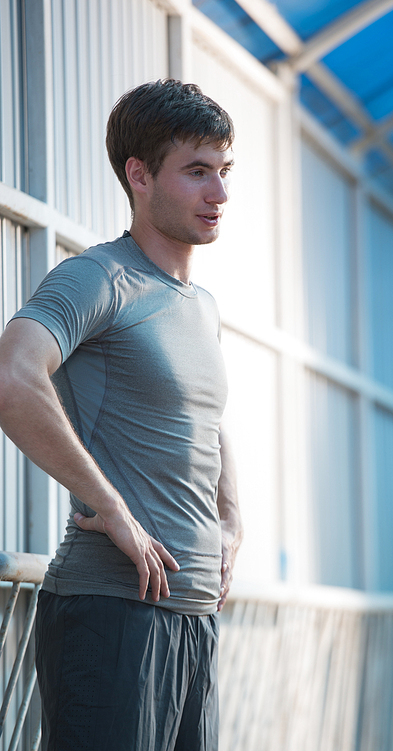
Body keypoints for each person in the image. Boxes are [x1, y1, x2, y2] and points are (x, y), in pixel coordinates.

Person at [0, 79, 243, 751]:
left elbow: (205, 413)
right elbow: (13, 377)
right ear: (139, 175)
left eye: (224, 172)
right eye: (197, 172)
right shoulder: (99, 278)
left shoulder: (202, 305)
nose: (219, 194)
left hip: (194, 619)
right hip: (113, 615)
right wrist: (108, 504)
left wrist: (231, 516)